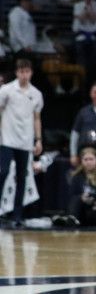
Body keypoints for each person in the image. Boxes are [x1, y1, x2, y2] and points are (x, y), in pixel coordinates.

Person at [0, 58, 43, 227]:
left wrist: (38, 140)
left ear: (31, 72)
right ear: (17, 72)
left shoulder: (36, 94)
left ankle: (17, 215)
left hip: (25, 142)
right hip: (7, 139)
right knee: (2, 173)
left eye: (27, 71)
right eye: (21, 71)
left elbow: (37, 118)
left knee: (21, 177)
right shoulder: (6, 90)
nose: (24, 75)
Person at [69, 146, 96, 227]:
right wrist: (81, 198)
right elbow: (72, 195)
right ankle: (72, 221)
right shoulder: (77, 176)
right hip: (82, 208)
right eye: (85, 159)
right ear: (81, 161)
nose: (88, 162)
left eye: (91, 159)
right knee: (76, 201)